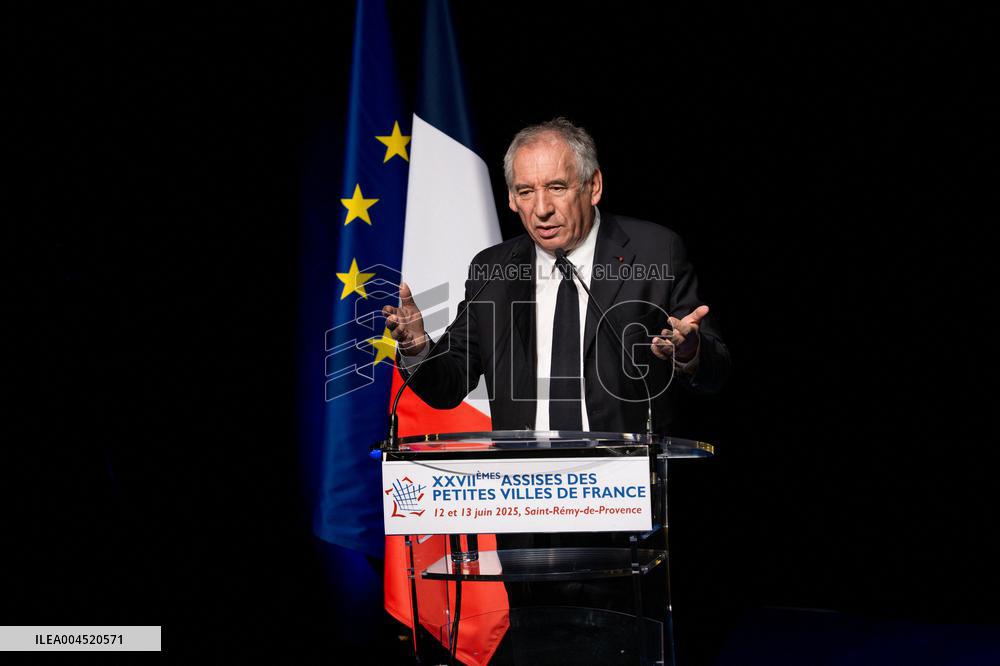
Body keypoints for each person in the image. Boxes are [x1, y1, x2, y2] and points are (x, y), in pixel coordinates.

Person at [383, 117, 729, 434]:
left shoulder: (655, 251)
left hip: (625, 483)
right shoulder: (492, 270)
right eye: (526, 191)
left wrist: (689, 353)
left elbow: (714, 375)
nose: (542, 209)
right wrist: (417, 347)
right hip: (527, 488)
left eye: (557, 187)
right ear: (511, 199)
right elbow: (449, 385)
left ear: (593, 186)